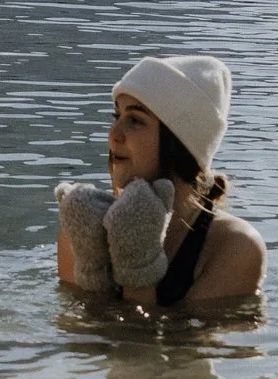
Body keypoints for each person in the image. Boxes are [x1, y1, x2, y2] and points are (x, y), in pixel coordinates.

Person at [56, 54, 264, 307]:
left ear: (179, 143)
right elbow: (81, 342)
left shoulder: (235, 248)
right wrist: (92, 269)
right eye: (116, 117)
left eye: (135, 120)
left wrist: (137, 272)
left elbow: (180, 347)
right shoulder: (82, 232)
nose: (113, 135)